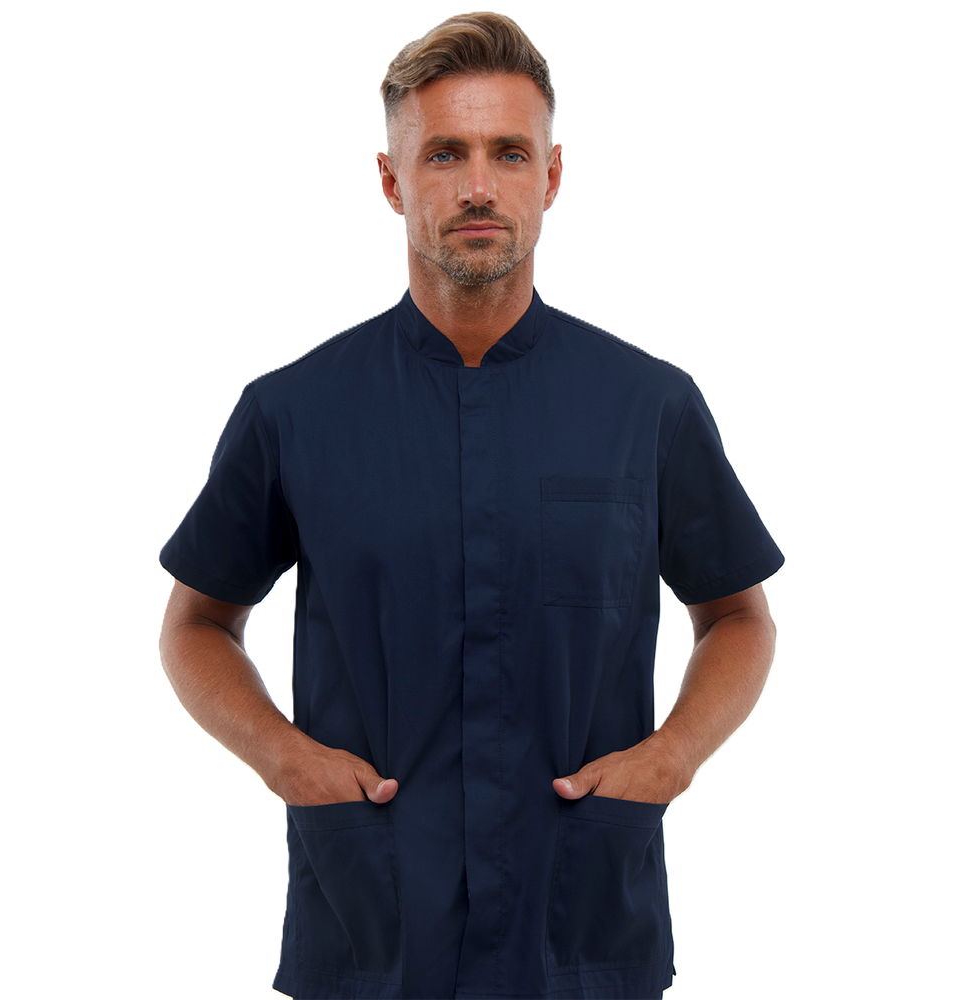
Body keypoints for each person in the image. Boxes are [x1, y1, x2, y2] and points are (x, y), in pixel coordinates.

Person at [157, 11, 786, 1000]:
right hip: (373, 925)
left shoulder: (651, 405)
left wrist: (675, 756)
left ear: (553, 175)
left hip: (581, 921)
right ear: (391, 181)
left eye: (509, 152)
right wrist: (282, 758)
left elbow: (738, 615)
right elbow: (195, 624)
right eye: (444, 153)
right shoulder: (293, 409)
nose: (479, 186)